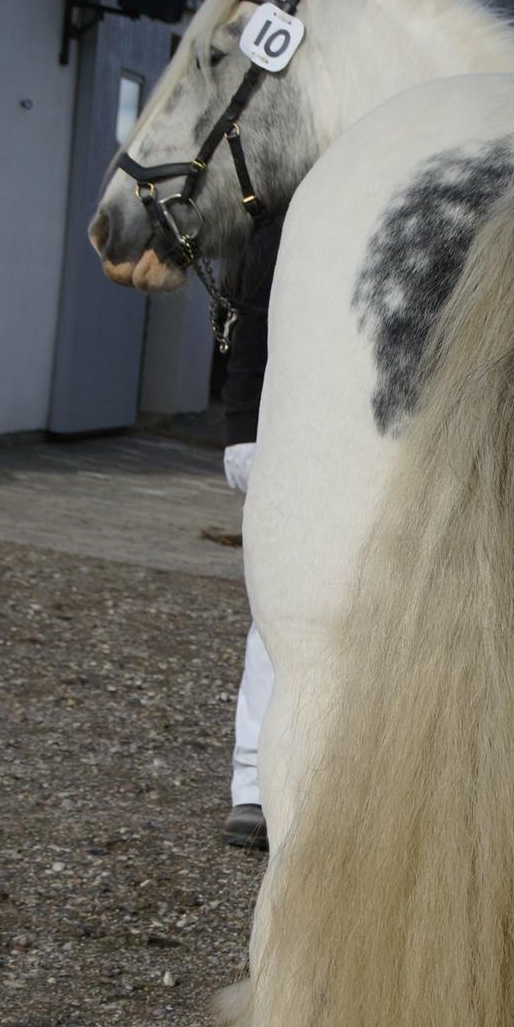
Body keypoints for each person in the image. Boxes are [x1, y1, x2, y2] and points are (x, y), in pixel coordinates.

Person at [220, 218, 284, 851]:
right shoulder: (279, 222)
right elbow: (255, 317)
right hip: (283, 433)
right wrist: (244, 432)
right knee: (279, 606)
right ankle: (254, 786)